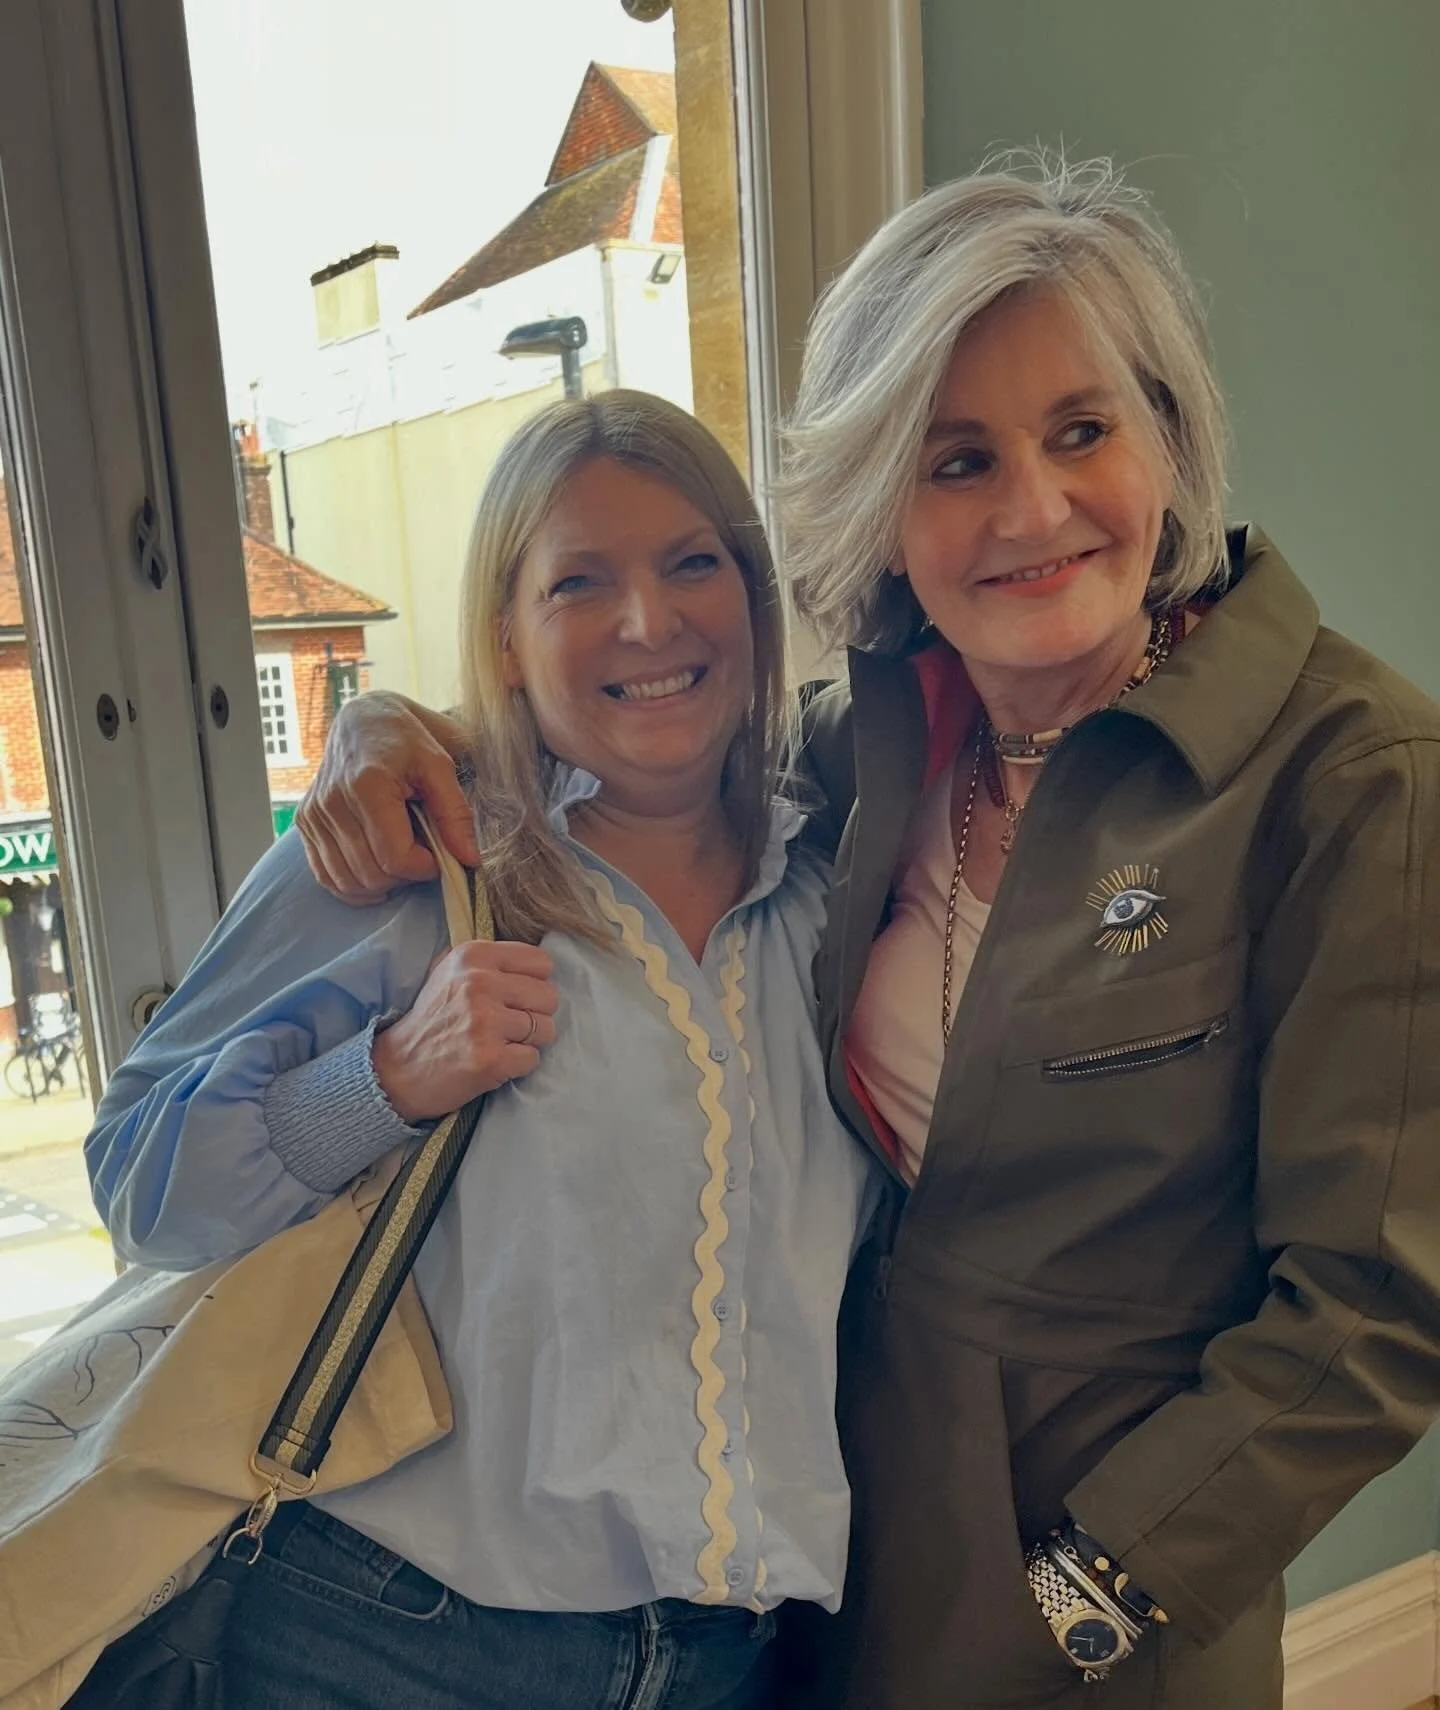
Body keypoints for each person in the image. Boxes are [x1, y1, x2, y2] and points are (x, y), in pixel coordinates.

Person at [298, 156, 1440, 1710]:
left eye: (1082, 431)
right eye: (956, 459)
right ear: (883, 505)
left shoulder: (1349, 774)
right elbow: (620, 735)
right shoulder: (867, 746)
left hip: (1109, 1588)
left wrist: (1102, 1585)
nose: (1031, 509)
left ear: (1168, 439)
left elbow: (1380, 1298)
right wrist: (378, 720)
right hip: (819, 1551)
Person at [84, 391, 879, 1710]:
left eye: (694, 561)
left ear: (751, 593)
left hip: (734, 1655)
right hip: (396, 1645)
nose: (648, 620)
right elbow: (141, 1179)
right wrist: (387, 1079)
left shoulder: (831, 890)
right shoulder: (405, 862)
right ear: (505, 641)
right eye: (579, 581)